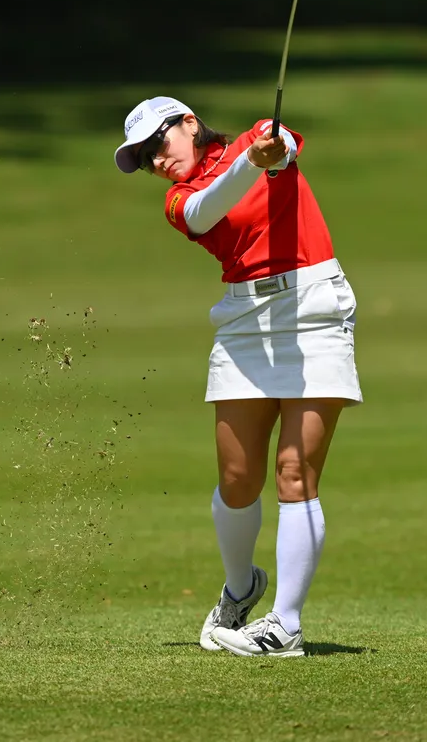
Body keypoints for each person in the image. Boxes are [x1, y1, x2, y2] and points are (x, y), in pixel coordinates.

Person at [115, 95, 362, 658]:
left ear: (190, 124)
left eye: (158, 143)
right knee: (237, 478)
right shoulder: (179, 201)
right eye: (144, 158)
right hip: (244, 320)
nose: (156, 160)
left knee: (295, 473)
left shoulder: (258, 138)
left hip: (314, 309)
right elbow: (209, 208)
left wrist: (272, 151)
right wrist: (253, 162)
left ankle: (286, 625)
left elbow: (285, 146)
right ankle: (240, 586)